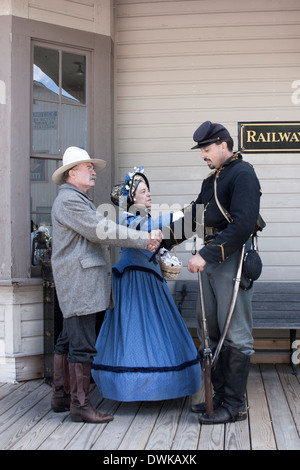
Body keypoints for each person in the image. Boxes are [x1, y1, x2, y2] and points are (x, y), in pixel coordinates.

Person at [50, 147, 162, 424]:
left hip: (79, 281)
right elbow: (102, 230)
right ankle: (80, 404)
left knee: (69, 338)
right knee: (82, 344)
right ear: (71, 173)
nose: (93, 171)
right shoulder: (70, 201)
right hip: (80, 282)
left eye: (92, 167)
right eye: (87, 167)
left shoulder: (77, 199)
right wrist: (143, 238)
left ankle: (62, 396)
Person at [91, 167, 202, 402]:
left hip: (151, 279)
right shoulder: (126, 218)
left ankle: (163, 385)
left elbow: (161, 234)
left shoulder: (145, 218)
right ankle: (134, 385)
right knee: (135, 331)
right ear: (132, 198)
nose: (149, 194)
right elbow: (150, 228)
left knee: (158, 329)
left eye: (149, 189)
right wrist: (185, 213)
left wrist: (189, 224)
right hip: (133, 281)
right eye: (143, 191)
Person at [185, 121, 262, 424]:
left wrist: (205, 254)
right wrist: (159, 239)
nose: (203, 155)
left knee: (236, 334)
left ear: (223, 144)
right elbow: (194, 215)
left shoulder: (243, 174)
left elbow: (243, 224)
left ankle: (235, 405)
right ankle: (217, 397)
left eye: (206, 149)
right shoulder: (213, 179)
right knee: (210, 331)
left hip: (230, 259)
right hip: (211, 260)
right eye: (202, 150)